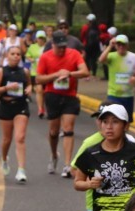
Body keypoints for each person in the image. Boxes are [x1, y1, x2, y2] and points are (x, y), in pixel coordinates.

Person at [36, 30, 89, 178]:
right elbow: (38, 79)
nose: (62, 50)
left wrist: (69, 74)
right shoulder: (45, 57)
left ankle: (67, 165)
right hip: (52, 95)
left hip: (70, 96)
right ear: (52, 45)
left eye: (64, 47)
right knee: (54, 131)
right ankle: (54, 155)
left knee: (68, 128)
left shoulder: (74, 54)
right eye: (59, 47)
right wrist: (56, 75)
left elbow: (85, 72)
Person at [0, 45, 30, 183]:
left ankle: (21, 170)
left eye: (18, 54)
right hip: (6, 106)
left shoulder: (24, 71)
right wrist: (7, 87)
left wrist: (29, 88)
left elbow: (29, 84)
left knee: (20, 137)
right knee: (7, 139)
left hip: (21, 106)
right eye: (13, 54)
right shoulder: (1, 72)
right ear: (7, 56)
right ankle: (4, 159)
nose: (15, 56)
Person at [98, 34, 135, 122]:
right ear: (115, 45)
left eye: (123, 44)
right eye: (118, 44)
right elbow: (101, 60)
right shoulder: (111, 56)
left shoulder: (133, 57)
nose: (121, 47)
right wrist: (109, 46)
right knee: (113, 118)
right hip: (113, 94)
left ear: (127, 45)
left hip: (128, 95)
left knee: (127, 120)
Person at [26, 30, 46, 119]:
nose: (40, 40)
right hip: (35, 72)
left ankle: (44, 106)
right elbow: (27, 55)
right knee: (39, 89)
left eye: (42, 38)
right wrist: (31, 59)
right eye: (39, 38)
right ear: (36, 39)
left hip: (46, 73)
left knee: (45, 92)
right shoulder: (32, 47)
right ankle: (40, 109)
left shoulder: (47, 47)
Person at [80, 13, 100, 78]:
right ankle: (94, 72)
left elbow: (82, 35)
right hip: (95, 46)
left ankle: (88, 71)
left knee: (87, 59)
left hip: (87, 45)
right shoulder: (97, 28)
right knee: (94, 59)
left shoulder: (85, 27)